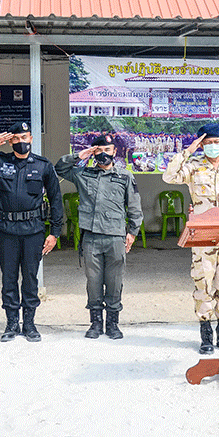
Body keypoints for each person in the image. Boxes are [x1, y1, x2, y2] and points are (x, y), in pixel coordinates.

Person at [0, 121, 63, 343]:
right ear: (10, 141)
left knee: (30, 278)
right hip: (7, 231)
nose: (21, 142)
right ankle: (11, 323)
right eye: (16, 139)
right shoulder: (0, 162)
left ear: (31, 139)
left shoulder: (43, 166)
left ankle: (29, 324)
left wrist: (54, 232)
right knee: (8, 279)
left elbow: (56, 200)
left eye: (24, 137)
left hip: (33, 231)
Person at [163, 122, 219, 354]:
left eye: (216, 142)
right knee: (203, 284)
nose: (213, 146)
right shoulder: (193, 167)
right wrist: (188, 151)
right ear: (202, 144)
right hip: (203, 239)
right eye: (208, 143)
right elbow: (169, 176)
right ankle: (205, 335)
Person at [55, 135, 143, 340]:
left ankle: (112, 324)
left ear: (114, 152)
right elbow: (60, 168)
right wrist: (80, 155)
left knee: (114, 281)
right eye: (98, 150)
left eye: (107, 150)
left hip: (115, 237)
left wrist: (132, 232)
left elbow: (134, 207)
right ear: (94, 152)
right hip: (91, 238)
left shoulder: (125, 176)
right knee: (93, 281)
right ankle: (95, 323)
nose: (103, 154)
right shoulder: (83, 174)